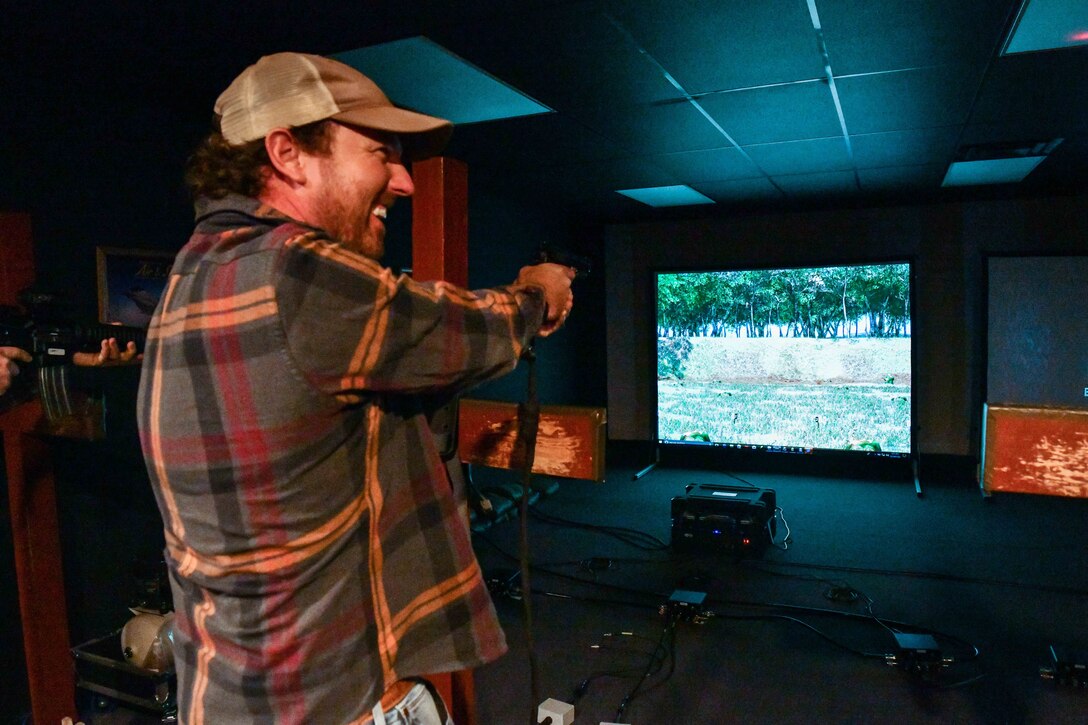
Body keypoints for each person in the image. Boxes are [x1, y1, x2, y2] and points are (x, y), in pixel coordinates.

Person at [136, 52, 574, 724]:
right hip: (326, 705)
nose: (404, 183)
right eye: (379, 152)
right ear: (288, 153)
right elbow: (459, 330)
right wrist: (537, 294)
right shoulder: (299, 273)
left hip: (225, 699)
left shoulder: (189, 276)